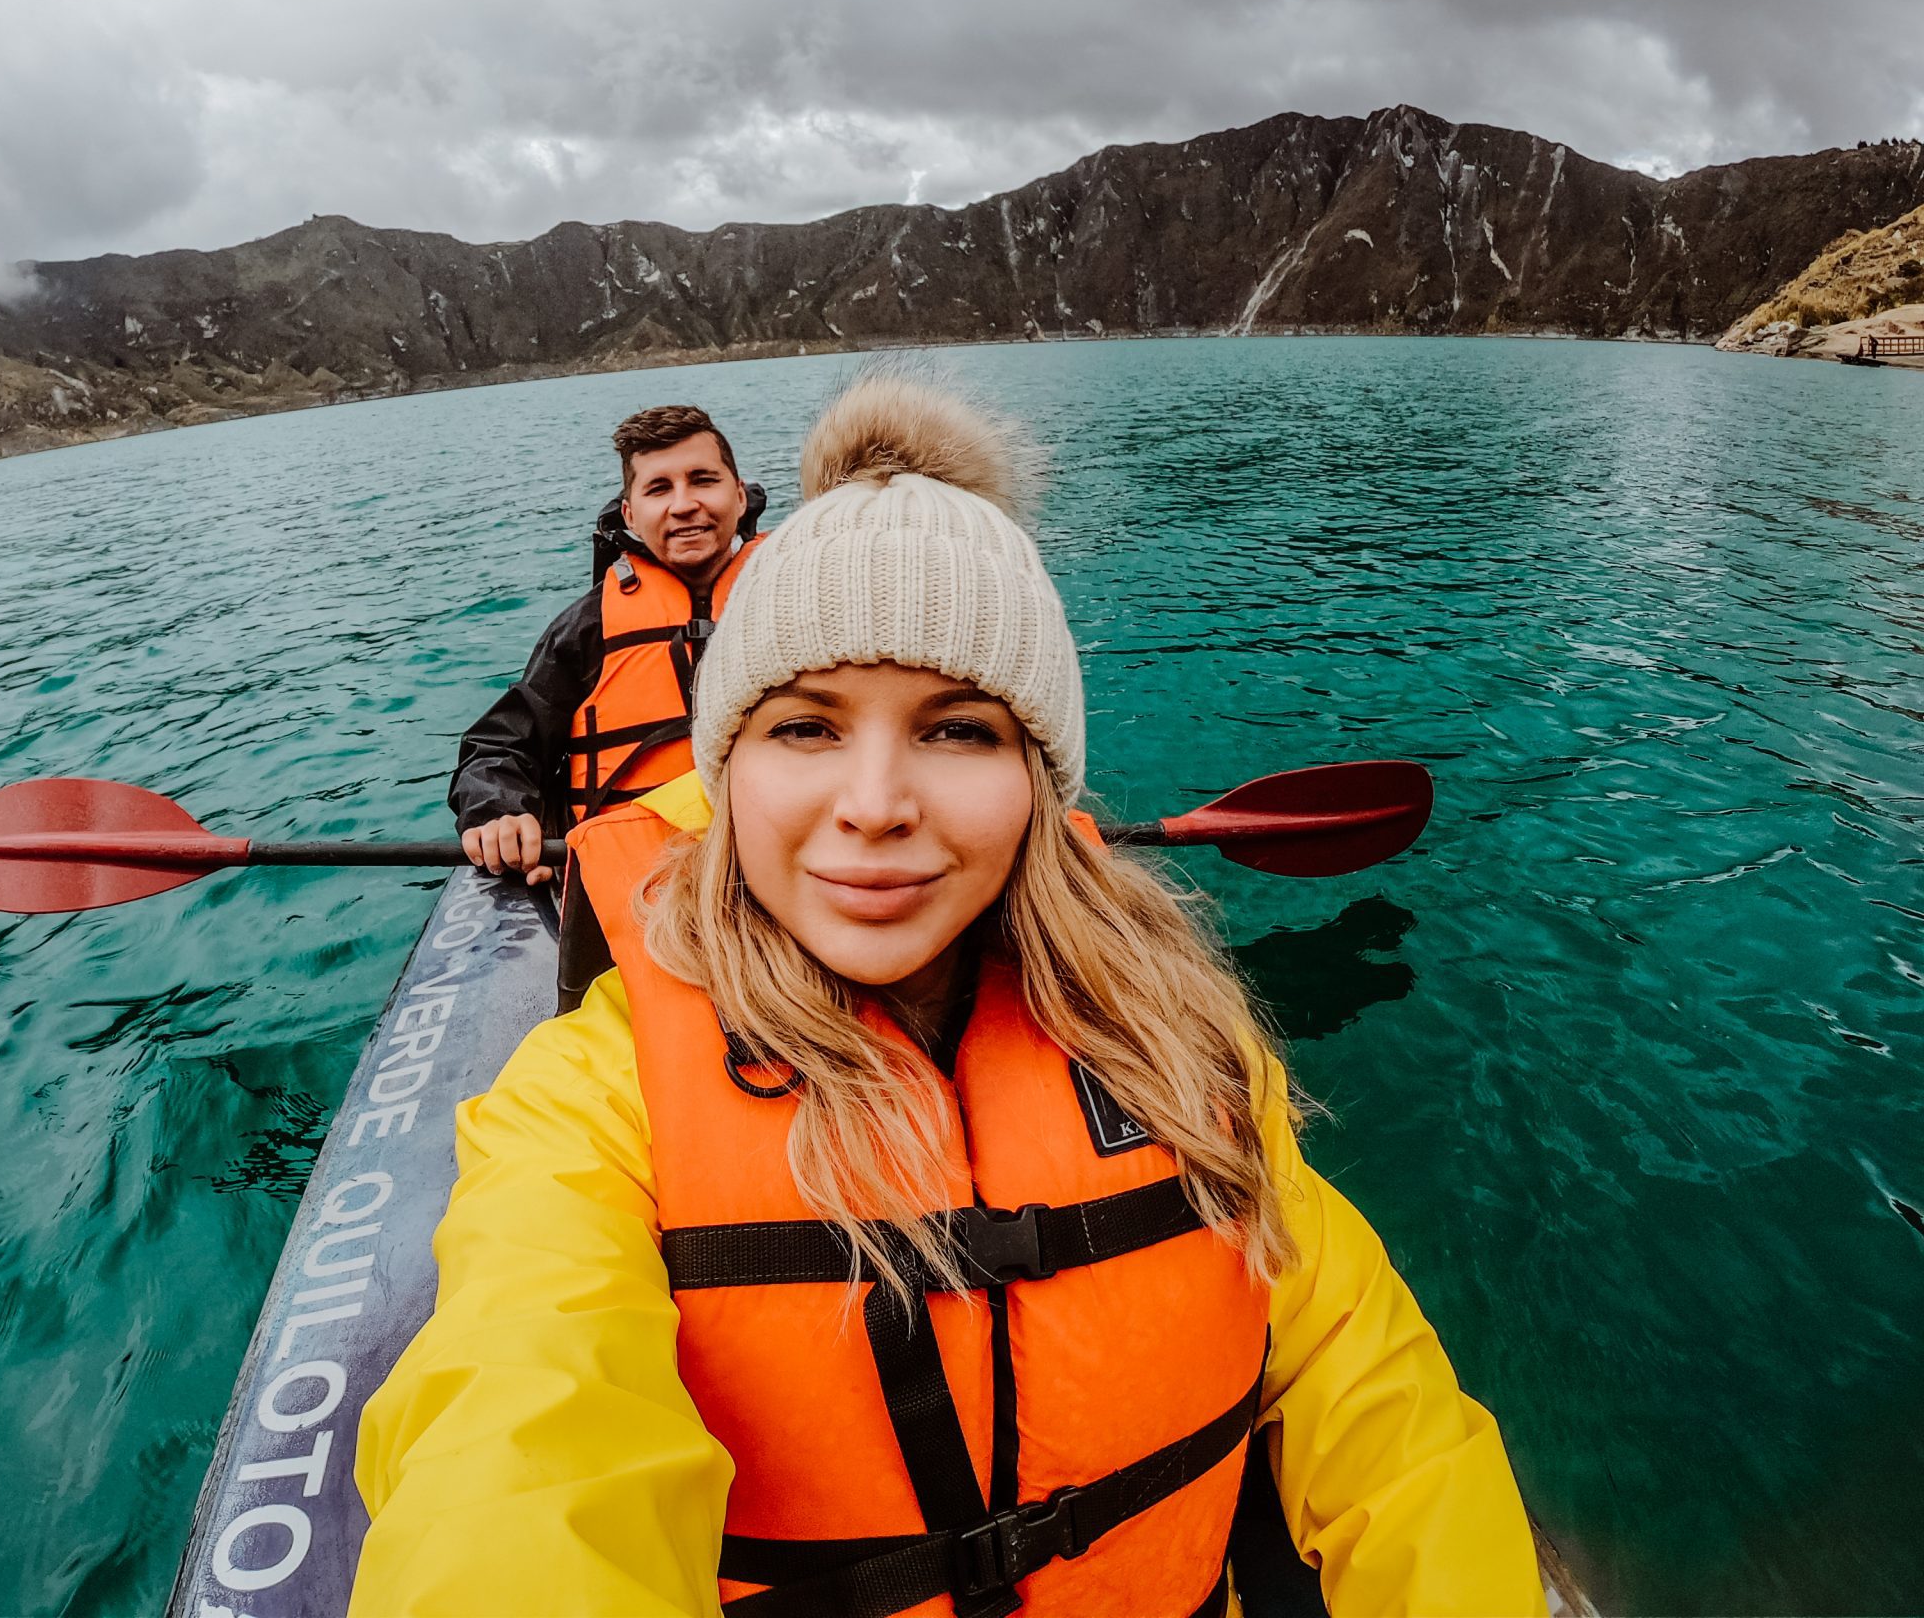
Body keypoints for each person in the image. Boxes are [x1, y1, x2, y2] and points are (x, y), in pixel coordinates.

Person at [355, 376, 1542, 1617]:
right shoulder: (592, 1101)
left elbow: (1392, 1424)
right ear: (727, 767)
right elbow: (514, 1448)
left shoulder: (1181, 1043)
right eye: (804, 729)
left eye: (959, 731)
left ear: (1039, 781)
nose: (875, 806)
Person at [451, 404, 764, 887]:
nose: (684, 504)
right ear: (630, 514)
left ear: (739, 497)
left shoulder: (796, 597)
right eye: (659, 489)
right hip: (637, 882)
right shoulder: (587, 626)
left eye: (703, 480)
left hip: (775, 868)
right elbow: (500, 747)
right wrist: (500, 811)